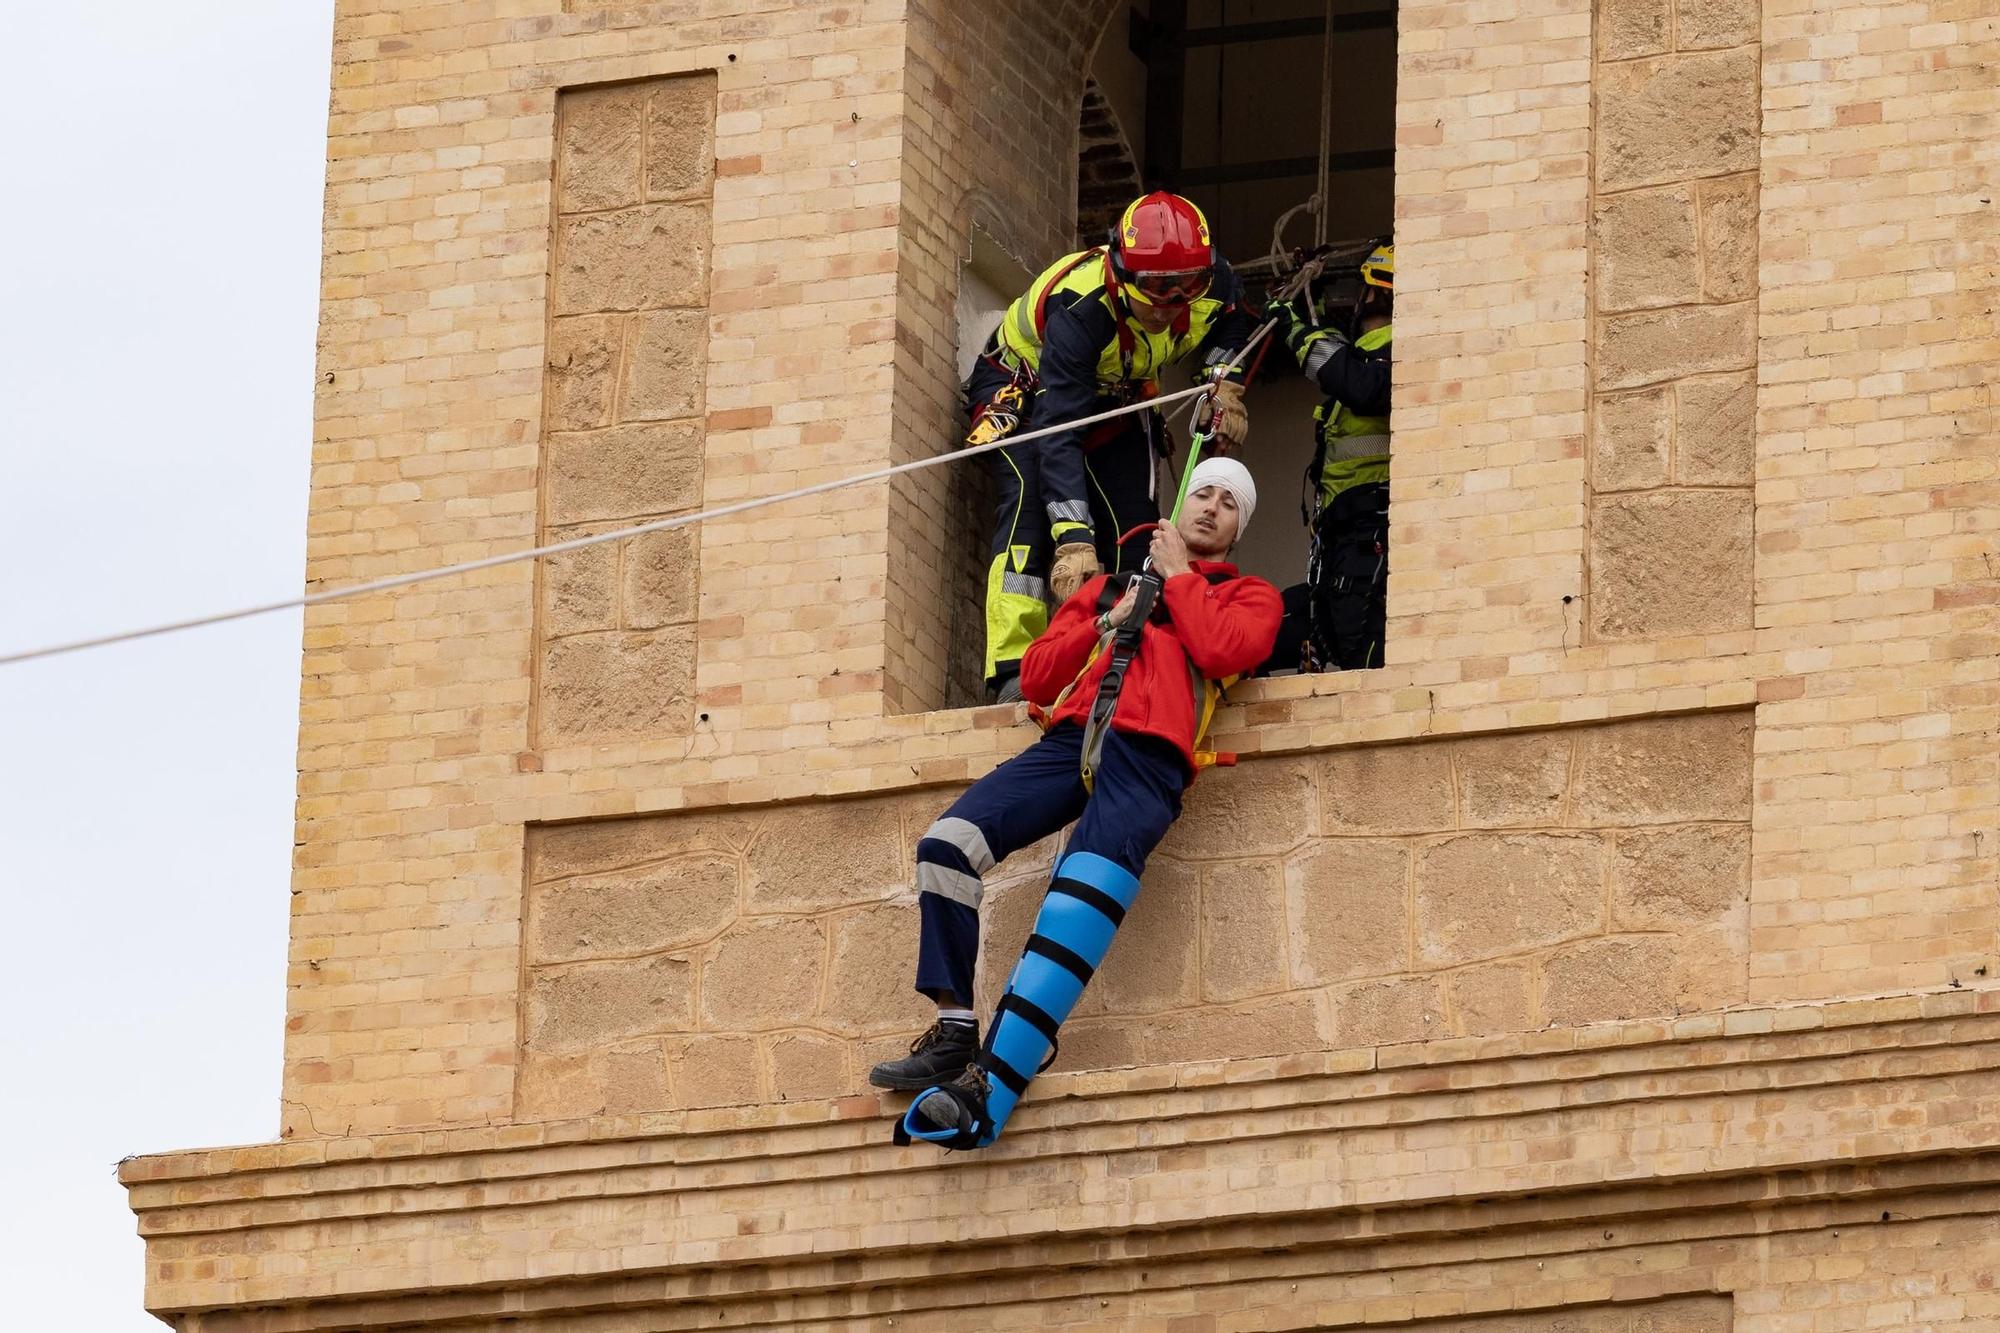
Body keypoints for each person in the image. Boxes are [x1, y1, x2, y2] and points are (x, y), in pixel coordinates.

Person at [870, 458, 1282, 1149]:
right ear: (1181, 505)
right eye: (1203, 492)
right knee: (948, 844)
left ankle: (987, 1088)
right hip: (1074, 738)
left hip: (1149, 754)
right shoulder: (1106, 587)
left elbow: (1220, 650)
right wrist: (1106, 621)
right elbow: (1038, 672)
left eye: (1229, 503)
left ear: (1240, 526)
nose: (1212, 507)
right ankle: (954, 1027)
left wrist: (1178, 575)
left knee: (1076, 901)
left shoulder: (1249, 598)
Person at [966, 192, 1260, 703]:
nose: (1171, 304)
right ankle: (1015, 670)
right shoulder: (1081, 310)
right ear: (1122, 275)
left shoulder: (1213, 283)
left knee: (1135, 525)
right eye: (1155, 288)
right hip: (1033, 397)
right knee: (1029, 521)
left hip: (1118, 397)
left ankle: (1118, 653)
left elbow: (1242, 321)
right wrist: (1074, 536)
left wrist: (1223, 380)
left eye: (1186, 287)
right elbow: (1058, 431)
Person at [1272, 240, 1393, 672]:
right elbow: (1344, 362)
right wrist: (1309, 303)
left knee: (1361, 642)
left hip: (1371, 529)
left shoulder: (1400, 347)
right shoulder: (1364, 355)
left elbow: (1360, 384)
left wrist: (1296, 332)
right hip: (1344, 533)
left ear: (1376, 292)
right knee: (1308, 619)